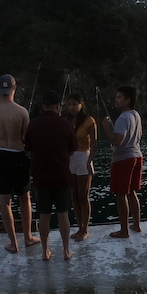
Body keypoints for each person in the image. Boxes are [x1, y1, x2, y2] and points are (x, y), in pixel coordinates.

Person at [0, 74, 39, 253]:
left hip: (0, 155)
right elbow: (27, 139)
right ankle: (28, 237)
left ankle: (13, 243)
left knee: (4, 201)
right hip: (18, 156)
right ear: (14, 88)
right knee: (24, 198)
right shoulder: (21, 111)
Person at [25, 91, 77, 261]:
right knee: (63, 214)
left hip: (41, 177)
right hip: (62, 176)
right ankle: (66, 251)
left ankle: (45, 251)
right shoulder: (66, 124)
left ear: (43, 106)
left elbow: (29, 150)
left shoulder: (33, 125)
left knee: (44, 215)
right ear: (57, 106)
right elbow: (72, 149)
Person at [104, 86, 143, 238]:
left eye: (119, 97)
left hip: (123, 159)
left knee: (121, 195)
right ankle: (137, 225)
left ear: (128, 100)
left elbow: (117, 141)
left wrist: (107, 127)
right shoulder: (136, 115)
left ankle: (124, 230)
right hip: (137, 156)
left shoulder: (123, 118)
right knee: (132, 192)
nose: (116, 100)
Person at [66, 93, 97, 241]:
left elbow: (94, 143)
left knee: (83, 196)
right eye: (69, 104)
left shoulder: (89, 121)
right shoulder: (66, 121)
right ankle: (79, 227)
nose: (71, 107)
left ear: (81, 104)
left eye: (74, 104)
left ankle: (85, 229)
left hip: (84, 157)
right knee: (74, 196)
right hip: (70, 159)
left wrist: (90, 161)